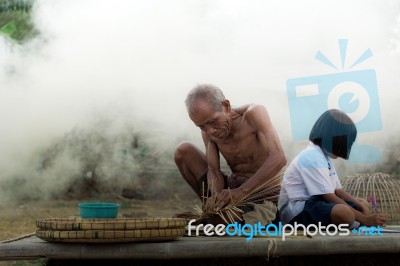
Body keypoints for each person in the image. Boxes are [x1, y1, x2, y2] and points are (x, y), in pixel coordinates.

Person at [174, 84, 286, 225]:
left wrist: (242, 192)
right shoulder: (208, 131)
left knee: (221, 222)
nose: (210, 131)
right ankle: (213, 213)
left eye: (212, 122)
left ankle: (218, 219)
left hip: (262, 197)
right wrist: (216, 197)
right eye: (201, 126)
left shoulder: (253, 114)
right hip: (232, 191)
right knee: (184, 151)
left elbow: (279, 157)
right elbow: (213, 170)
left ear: (226, 106)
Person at [278, 109, 386, 228]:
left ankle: (355, 221)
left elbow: (338, 191)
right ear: (334, 138)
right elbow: (329, 196)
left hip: (315, 204)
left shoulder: (324, 156)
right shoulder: (311, 156)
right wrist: (366, 219)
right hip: (297, 211)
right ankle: (357, 222)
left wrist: (362, 207)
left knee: (363, 203)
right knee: (345, 213)